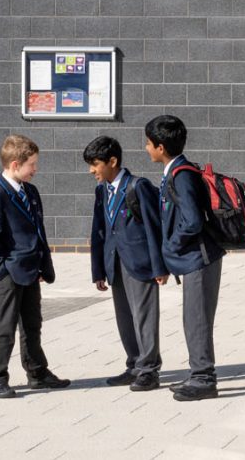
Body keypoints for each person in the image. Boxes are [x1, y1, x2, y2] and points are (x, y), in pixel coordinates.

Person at [0, 134, 70, 399]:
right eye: (32, 164)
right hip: (9, 272)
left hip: (31, 270)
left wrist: (42, 264)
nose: (35, 169)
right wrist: (0, 269)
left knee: (32, 324)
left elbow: (37, 230)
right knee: (4, 326)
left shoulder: (30, 191)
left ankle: (37, 373)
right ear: (15, 164)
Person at [144, 115, 226, 402]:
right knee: (193, 318)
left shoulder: (183, 175)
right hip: (194, 259)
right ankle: (197, 373)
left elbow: (191, 221)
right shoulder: (177, 170)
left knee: (197, 319)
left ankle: (204, 378)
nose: (146, 147)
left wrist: (173, 245)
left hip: (199, 259)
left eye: (148, 143)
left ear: (161, 146)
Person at [84, 136, 168, 392]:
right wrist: (98, 269)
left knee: (144, 317)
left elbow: (155, 228)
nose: (91, 170)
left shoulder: (137, 186)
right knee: (125, 318)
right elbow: (99, 231)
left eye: (95, 164)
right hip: (114, 264)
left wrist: (159, 266)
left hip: (140, 263)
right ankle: (134, 365)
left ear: (112, 161)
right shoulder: (102, 190)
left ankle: (149, 370)